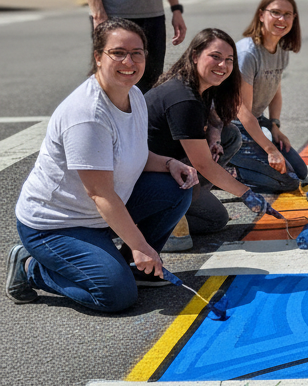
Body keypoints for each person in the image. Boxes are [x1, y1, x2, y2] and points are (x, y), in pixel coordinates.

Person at [6, 19, 197, 311]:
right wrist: (140, 245)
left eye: (137, 53)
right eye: (117, 53)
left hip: (96, 214)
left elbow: (131, 154)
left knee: (176, 188)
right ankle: (31, 266)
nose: (129, 61)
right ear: (98, 57)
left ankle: (131, 269)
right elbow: (101, 194)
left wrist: (170, 163)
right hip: (56, 226)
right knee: (116, 295)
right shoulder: (87, 115)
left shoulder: (133, 95)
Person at [146, 29, 272, 240]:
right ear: (194, 56)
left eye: (229, 60)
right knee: (215, 219)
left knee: (229, 135)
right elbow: (203, 164)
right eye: (215, 57)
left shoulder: (199, 84)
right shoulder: (184, 99)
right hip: (149, 177)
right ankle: (152, 220)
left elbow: (214, 116)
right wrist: (246, 193)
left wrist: (214, 136)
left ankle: (187, 199)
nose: (223, 65)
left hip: (168, 164)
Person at [231, 0, 308, 194]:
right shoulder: (248, 53)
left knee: (300, 172)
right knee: (288, 182)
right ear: (261, 15)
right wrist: (270, 149)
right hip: (231, 126)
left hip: (256, 120)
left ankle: (246, 164)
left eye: (287, 14)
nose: (281, 19)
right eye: (275, 12)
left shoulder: (281, 49)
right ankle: (225, 170)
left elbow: (275, 91)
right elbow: (241, 111)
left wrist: (275, 126)